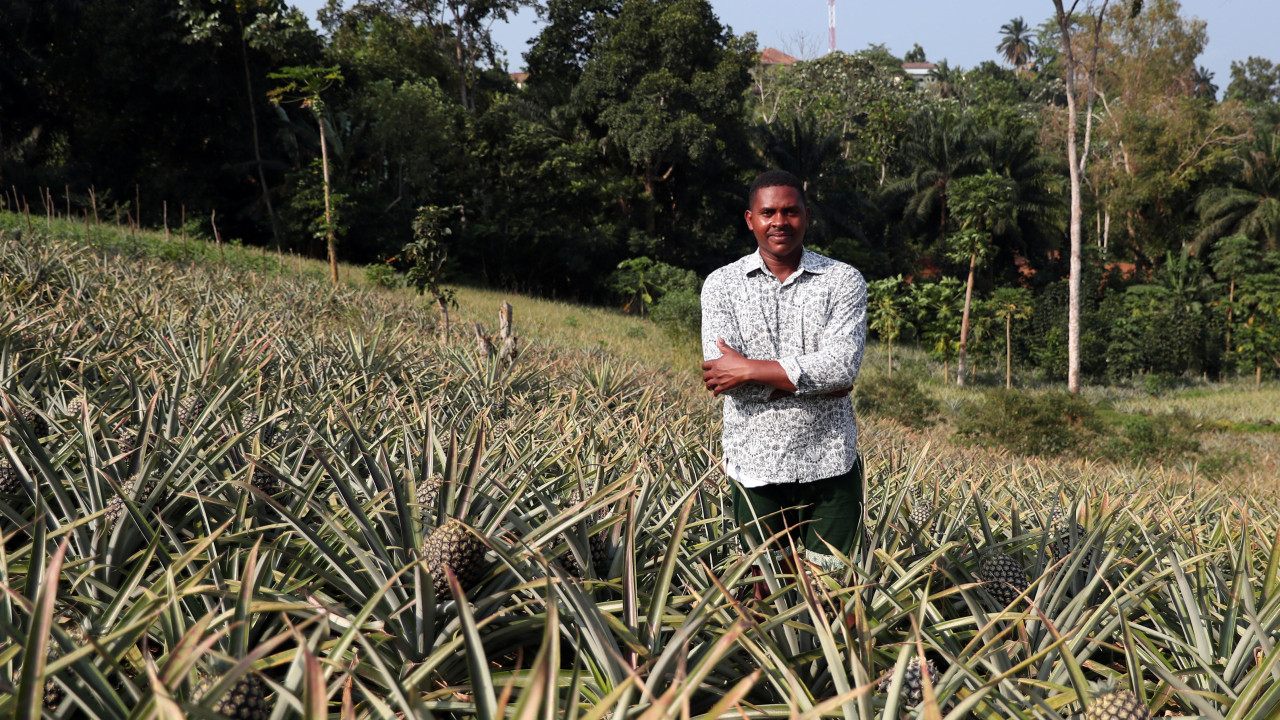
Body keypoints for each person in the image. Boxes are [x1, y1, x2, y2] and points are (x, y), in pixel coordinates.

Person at [701, 169, 867, 572]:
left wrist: (751, 370)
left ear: (806, 216)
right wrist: (814, 384)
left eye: (791, 212)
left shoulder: (842, 280)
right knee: (763, 590)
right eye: (769, 212)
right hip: (754, 462)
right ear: (750, 219)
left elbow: (841, 369)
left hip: (830, 459)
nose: (780, 221)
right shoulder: (721, 285)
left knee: (833, 591)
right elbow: (723, 379)